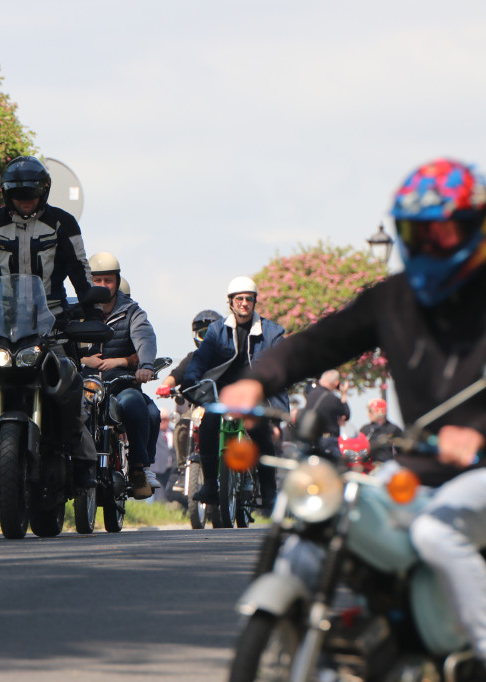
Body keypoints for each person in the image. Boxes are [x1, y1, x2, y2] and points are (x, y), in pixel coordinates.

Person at [220, 158, 486, 671]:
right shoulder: (396, 299)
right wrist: (257, 378)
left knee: (438, 533)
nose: (430, 245)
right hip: (417, 472)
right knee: (319, 524)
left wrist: (476, 433)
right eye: (417, 232)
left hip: (480, 473)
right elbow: (318, 343)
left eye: (445, 231)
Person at [0, 156, 101, 490]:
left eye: (31, 194)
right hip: (3, 322)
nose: (25, 201)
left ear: (44, 192)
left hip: (53, 322)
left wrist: (91, 317)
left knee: (69, 383)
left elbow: (80, 271)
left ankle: (82, 457)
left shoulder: (63, 224)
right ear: (6, 194)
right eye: (18, 195)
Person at [181, 276, 287, 513]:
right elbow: (200, 359)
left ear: (255, 301)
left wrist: (278, 413)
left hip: (253, 391)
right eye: (239, 299)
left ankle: (269, 491)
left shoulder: (272, 332)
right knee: (208, 420)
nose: (244, 303)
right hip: (223, 392)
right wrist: (191, 380)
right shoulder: (216, 331)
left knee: (260, 430)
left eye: (249, 299)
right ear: (230, 302)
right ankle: (209, 484)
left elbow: (280, 371)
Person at [80, 251, 162, 498]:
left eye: (108, 280)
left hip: (120, 384)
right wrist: (83, 359)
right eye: (97, 280)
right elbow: (61, 339)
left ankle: (138, 468)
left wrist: (145, 364)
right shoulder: (77, 310)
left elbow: (145, 338)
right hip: (85, 383)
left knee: (140, 406)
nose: (103, 286)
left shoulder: (132, 312)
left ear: (117, 281)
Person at [159, 309, 223, 484]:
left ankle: (245, 472)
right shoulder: (193, 358)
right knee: (182, 424)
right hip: (198, 408)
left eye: (212, 333)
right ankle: (183, 468)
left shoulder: (228, 357)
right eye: (203, 334)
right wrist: (165, 386)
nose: (208, 338)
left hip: (225, 409)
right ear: (196, 337)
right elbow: (177, 374)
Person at [300, 368, 350, 437]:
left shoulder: (311, 394)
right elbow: (346, 414)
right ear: (336, 382)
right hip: (327, 439)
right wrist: (344, 394)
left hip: (311, 436)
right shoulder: (333, 399)